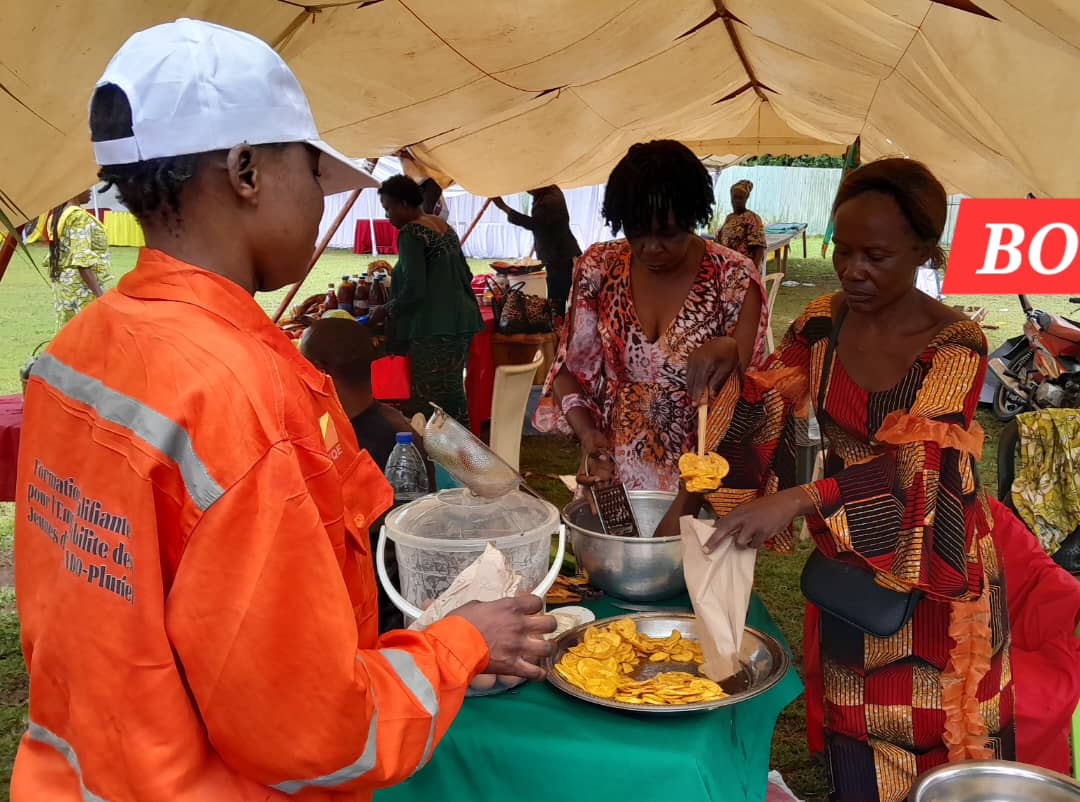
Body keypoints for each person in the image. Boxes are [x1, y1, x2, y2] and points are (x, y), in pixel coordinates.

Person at [13, 19, 554, 802]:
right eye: (315, 174)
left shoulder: (77, 350)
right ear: (245, 171)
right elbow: (318, 734)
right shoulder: (244, 396)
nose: (319, 200)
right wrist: (462, 641)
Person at [662, 158, 1018, 802]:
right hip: (857, 557)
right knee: (859, 725)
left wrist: (801, 498)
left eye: (876, 256)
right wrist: (728, 364)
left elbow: (921, 466)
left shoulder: (955, 343)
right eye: (844, 250)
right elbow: (767, 398)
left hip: (935, 563)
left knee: (946, 733)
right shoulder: (827, 319)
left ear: (922, 252)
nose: (854, 270)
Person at [533, 140, 768, 494]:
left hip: (704, 484)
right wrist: (589, 436)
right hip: (614, 475)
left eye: (668, 233)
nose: (651, 247)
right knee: (610, 552)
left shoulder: (732, 278)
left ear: (694, 215)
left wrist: (730, 348)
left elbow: (749, 399)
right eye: (637, 231)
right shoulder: (599, 268)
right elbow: (571, 373)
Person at [300, 316, 436, 634]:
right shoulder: (392, 424)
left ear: (320, 372)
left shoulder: (345, 448)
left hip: (372, 614)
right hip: (398, 598)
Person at [373, 175, 483, 426]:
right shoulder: (443, 227)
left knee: (428, 398)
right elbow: (466, 273)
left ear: (403, 204)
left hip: (433, 326)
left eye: (388, 209)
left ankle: (434, 453)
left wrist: (385, 309)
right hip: (461, 321)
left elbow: (414, 289)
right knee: (452, 390)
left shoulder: (411, 233)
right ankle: (461, 450)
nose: (388, 217)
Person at [491, 186, 581, 317]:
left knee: (559, 296)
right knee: (557, 295)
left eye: (530, 187)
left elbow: (535, 224)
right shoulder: (547, 194)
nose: (527, 190)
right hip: (555, 255)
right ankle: (558, 323)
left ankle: (559, 327)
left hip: (561, 256)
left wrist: (504, 207)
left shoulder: (550, 200)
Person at [44, 189, 113, 330]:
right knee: (89, 334)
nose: (90, 192)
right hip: (82, 287)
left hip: (64, 284)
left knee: (69, 333)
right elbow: (82, 259)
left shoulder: (58, 215)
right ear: (75, 190)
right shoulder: (78, 217)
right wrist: (100, 295)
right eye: (87, 188)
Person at [717, 179, 766, 270]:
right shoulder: (729, 218)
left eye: (740, 198)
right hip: (727, 268)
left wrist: (753, 271)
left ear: (746, 199)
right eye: (734, 197)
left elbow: (759, 246)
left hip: (744, 269)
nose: (737, 201)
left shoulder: (752, 218)